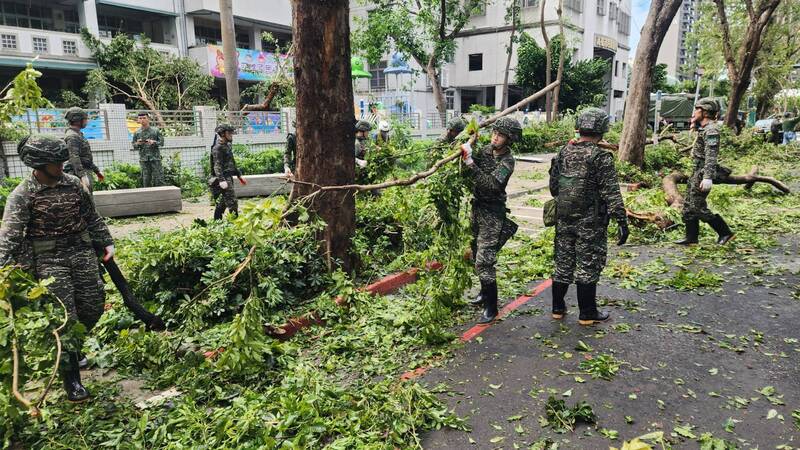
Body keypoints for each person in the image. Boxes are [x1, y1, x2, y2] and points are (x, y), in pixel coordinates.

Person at [0, 134, 115, 402]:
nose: (61, 165)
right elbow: (10, 236)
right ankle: (71, 377)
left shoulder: (73, 184)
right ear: (39, 164)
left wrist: (106, 241)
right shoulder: (23, 194)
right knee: (65, 318)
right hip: (49, 261)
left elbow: (91, 216)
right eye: (55, 162)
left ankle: (74, 348)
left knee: (92, 305)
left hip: (82, 253)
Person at [549, 108, 628, 325]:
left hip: (564, 218)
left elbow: (554, 187)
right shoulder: (600, 157)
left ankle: (557, 308)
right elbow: (611, 191)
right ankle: (587, 313)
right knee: (588, 264)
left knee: (563, 262)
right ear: (601, 129)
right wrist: (621, 220)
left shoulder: (563, 152)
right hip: (590, 222)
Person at [460, 116, 522, 324]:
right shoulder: (486, 150)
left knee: (485, 260)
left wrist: (470, 164)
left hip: (493, 214)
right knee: (476, 252)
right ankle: (484, 293)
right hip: (477, 208)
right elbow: (471, 158)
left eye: (501, 136)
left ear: (509, 139)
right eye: (494, 133)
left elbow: (492, 185)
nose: (495, 138)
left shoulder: (507, 161)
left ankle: (491, 307)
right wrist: (468, 147)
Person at [676, 98, 735, 246]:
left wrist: (707, 177)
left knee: (697, 207)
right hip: (696, 171)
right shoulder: (703, 129)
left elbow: (711, 156)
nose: (694, 112)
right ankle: (691, 237)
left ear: (705, 112)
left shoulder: (711, 130)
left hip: (703, 172)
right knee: (688, 206)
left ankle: (725, 232)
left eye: (697, 109)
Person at [209, 124, 246, 220]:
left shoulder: (227, 145)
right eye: (229, 133)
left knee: (223, 201)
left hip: (228, 177)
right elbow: (217, 165)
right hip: (224, 178)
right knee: (232, 202)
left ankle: (217, 221)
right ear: (222, 134)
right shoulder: (218, 148)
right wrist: (221, 180)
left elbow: (232, 162)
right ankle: (236, 223)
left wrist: (239, 176)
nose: (231, 135)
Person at [64, 107, 104, 192]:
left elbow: (85, 157)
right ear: (78, 120)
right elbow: (74, 157)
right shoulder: (72, 136)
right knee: (85, 202)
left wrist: (96, 171)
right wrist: (82, 176)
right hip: (78, 175)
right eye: (85, 119)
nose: (87, 121)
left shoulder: (78, 134)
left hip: (83, 171)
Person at [132, 112, 165, 187]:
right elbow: (134, 145)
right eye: (140, 118)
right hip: (144, 159)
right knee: (146, 178)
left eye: (144, 118)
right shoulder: (137, 133)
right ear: (138, 120)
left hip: (155, 158)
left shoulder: (155, 131)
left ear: (148, 119)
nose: (142, 120)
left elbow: (162, 143)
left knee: (158, 177)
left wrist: (154, 142)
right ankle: (147, 195)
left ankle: (161, 194)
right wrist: (138, 143)